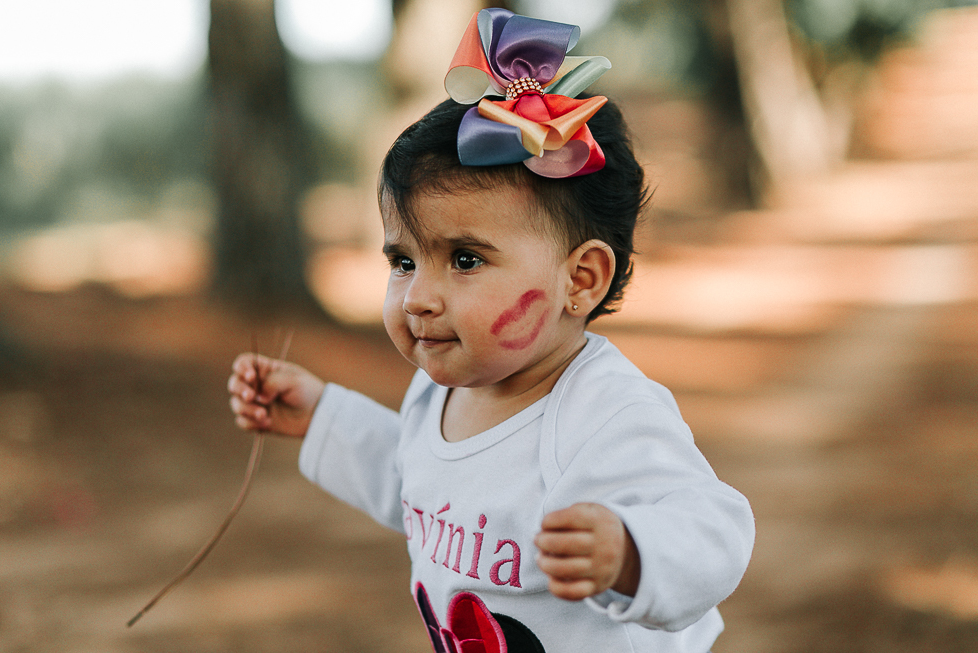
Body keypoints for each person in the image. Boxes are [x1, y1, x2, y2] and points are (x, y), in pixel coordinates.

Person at [228, 9, 753, 652]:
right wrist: (321, 417)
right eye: (403, 262)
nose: (418, 297)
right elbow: (419, 485)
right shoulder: (441, 391)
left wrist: (630, 554)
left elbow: (714, 530)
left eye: (465, 259)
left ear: (580, 279)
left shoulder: (604, 413)